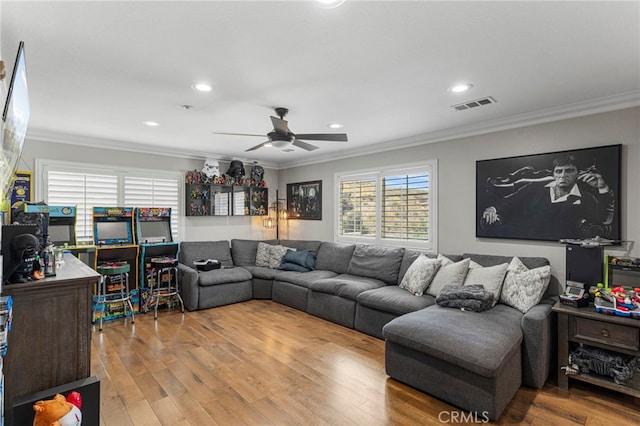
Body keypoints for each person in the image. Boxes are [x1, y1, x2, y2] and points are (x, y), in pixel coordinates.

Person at [481, 155, 615, 240]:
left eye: (569, 170)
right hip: (522, 236)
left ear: (577, 174)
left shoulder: (586, 198)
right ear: (554, 174)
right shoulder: (535, 188)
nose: (563, 175)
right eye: (559, 171)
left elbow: (603, 220)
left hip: (555, 245)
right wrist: (492, 209)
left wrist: (602, 188)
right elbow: (510, 201)